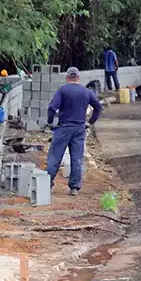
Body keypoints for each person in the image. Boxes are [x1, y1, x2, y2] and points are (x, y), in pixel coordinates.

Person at [46, 67, 102, 196]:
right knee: (76, 159)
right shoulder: (86, 92)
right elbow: (98, 107)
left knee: (55, 156)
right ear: (78, 78)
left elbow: (52, 107)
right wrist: (90, 122)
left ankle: (47, 184)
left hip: (64, 128)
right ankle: (74, 188)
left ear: (67, 77)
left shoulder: (63, 90)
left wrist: (50, 121)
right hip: (79, 129)